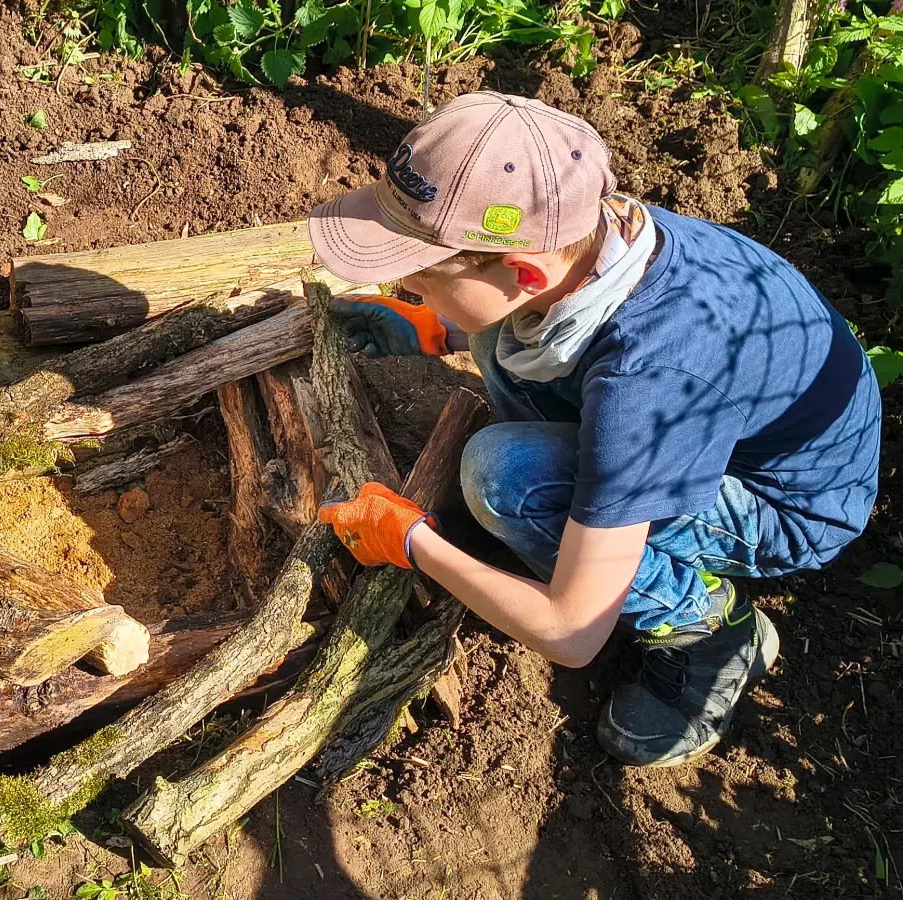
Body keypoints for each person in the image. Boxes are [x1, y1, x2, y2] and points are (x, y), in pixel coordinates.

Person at [309, 92, 881, 768]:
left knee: (505, 478)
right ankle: (586, 513)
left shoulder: (652, 375)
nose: (406, 287)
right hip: (702, 419)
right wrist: (440, 324)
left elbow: (572, 632)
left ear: (523, 272)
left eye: (420, 279)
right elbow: (521, 306)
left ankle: (710, 629)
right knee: (499, 340)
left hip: (784, 506)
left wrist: (409, 542)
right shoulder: (600, 235)